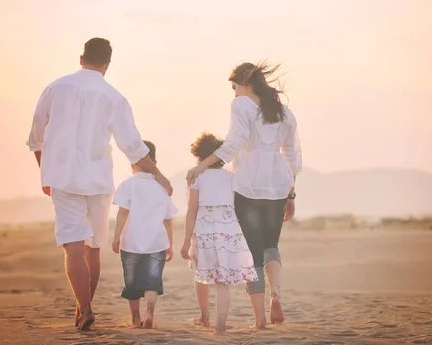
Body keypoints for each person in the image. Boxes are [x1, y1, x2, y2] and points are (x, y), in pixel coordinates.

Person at [26, 38, 173, 330]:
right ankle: (84, 308)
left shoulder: (55, 88)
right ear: (107, 65)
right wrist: (160, 176)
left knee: (72, 248)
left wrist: (47, 173)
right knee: (92, 249)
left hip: (64, 181)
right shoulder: (114, 97)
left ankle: (85, 307)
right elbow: (133, 147)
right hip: (98, 181)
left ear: (81, 58)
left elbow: (36, 138)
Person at [186, 61, 302, 329]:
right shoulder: (285, 113)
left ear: (245, 83)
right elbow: (292, 155)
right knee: (271, 245)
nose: (234, 93)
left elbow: (234, 143)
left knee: (252, 254)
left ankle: (260, 319)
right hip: (277, 187)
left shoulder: (241, 106)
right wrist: (291, 193)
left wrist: (201, 165)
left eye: (234, 86)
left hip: (249, 186)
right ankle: (276, 296)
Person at [180, 133, 258, 333]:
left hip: (205, 231)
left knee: (201, 273)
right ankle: (221, 325)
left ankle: (204, 317)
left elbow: (192, 210)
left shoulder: (197, 178)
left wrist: (185, 241)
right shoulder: (231, 177)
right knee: (221, 282)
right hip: (228, 231)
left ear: (198, 155)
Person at [112, 141, 177, 328]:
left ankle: (135, 318)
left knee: (132, 282)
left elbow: (123, 213)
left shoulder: (128, 185)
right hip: (157, 243)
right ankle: (149, 315)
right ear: (154, 163)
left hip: (131, 243)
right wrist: (170, 244)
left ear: (132, 164)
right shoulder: (162, 188)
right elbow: (168, 220)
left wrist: (116, 236)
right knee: (152, 281)